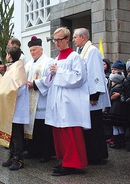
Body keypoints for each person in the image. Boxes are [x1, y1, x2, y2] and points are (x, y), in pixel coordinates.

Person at [45, 27, 90, 176]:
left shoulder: (74, 57)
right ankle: (64, 160)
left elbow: (79, 78)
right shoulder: (56, 59)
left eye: (59, 40)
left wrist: (58, 72)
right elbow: (50, 80)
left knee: (69, 133)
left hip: (69, 102)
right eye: (54, 40)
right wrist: (51, 74)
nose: (56, 43)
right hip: (58, 101)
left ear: (67, 39)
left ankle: (72, 164)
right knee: (59, 132)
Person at [73, 28, 111, 165]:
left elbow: (95, 73)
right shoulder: (81, 51)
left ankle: (97, 155)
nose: (73, 39)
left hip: (92, 97)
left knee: (95, 127)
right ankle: (90, 154)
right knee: (88, 128)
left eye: (75, 37)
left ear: (83, 37)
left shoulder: (92, 51)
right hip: (85, 96)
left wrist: (94, 95)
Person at [0, 46, 29, 170]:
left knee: (17, 135)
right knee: (12, 133)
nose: (6, 56)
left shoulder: (18, 68)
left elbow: (16, 87)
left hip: (17, 107)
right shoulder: (13, 67)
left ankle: (19, 160)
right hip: (11, 106)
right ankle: (12, 156)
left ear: (10, 55)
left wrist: (3, 93)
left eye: (7, 53)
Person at [24, 36, 55, 162]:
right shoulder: (28, 64)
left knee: (44, 130)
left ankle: (46, 153)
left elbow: (50, 78)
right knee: (33, 127)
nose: (32, 52)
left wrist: (34, 84)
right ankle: (33, 151)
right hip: (31, 102)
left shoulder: (49, 61)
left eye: (34, 50)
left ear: (41, 50)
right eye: (30, 50)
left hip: (43, 100)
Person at [104, 62, 127, 149]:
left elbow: (126, 91)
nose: (113, 71)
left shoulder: (122, 81)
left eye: (115, 70)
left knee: (117, 125)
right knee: (115, 125)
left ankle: (118, 142)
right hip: (114, 106)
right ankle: (116, 140)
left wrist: (120, 94)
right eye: (113, 69)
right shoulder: (112, 81)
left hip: (118, 107)